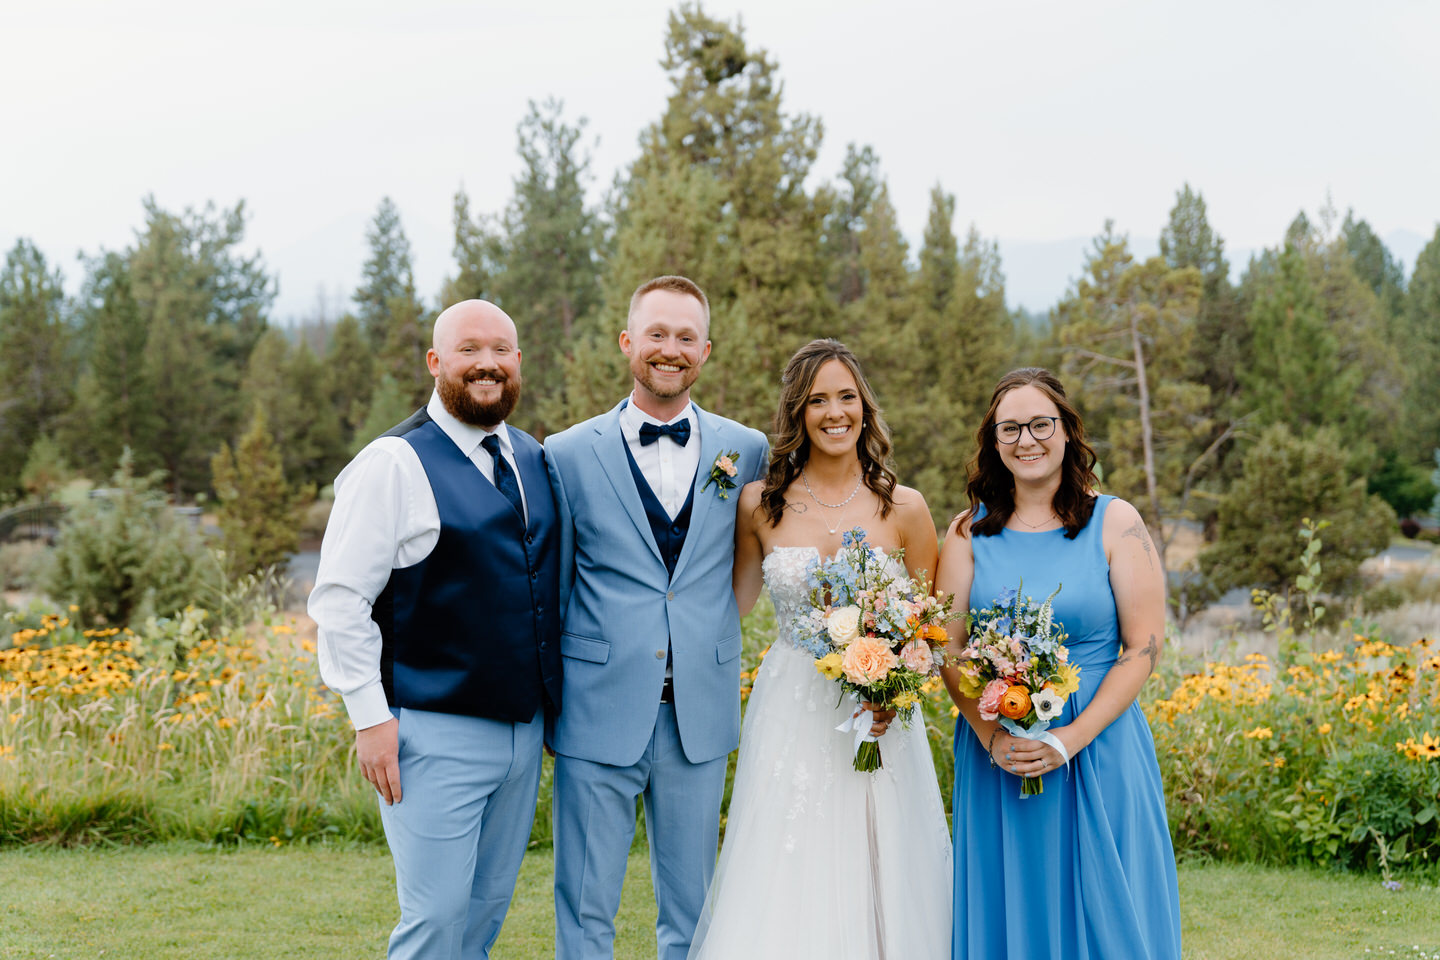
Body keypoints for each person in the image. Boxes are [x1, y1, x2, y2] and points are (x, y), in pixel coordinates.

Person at [309, 299, 562, 960]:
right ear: (435, 362)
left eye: (500, 351)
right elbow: (339, 601)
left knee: (482, 915)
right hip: (430, 732)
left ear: (517, 363)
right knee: (434, 919)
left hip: (522, 732)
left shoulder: (532, 457)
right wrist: (369, 718)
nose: (486, 364)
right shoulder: (391, 463)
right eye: (468, 349)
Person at [688, 339, 952, 959]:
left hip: (884, 712)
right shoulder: (759, 504)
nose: (835, 413)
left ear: (865, 407)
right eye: (817, 401)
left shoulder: (906, 508)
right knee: (790, 851)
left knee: (887, 847)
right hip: (792, 704)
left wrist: (897, 685)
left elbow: (931, 627)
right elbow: (727, 602)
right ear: (796, 414)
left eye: (847, 397)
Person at [544, 275, 769, 960]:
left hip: (696, 715)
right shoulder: (566, 452)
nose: (670, 349)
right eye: (656, 334)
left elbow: (744, 566)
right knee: (585, 909)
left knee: (695, 911)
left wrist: (700, 636)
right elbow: (555, 586)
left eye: (685, 337)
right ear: (627, 343)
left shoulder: (744, 449)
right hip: (595, 710)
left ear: (706, 349)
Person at [936, 367, 1181, 959]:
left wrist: (1069, 738)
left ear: (1067, 431)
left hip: (1100, 744)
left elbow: (1144, 646)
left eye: (1041, 424)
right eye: (1010, 428)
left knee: (1107, 911)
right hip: (1000, 750)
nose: (1027, 440)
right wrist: (993, 737)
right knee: (1014, 908)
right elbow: (947, 648)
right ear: (993, 443)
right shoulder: (969, 532)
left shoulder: (1115, 521)